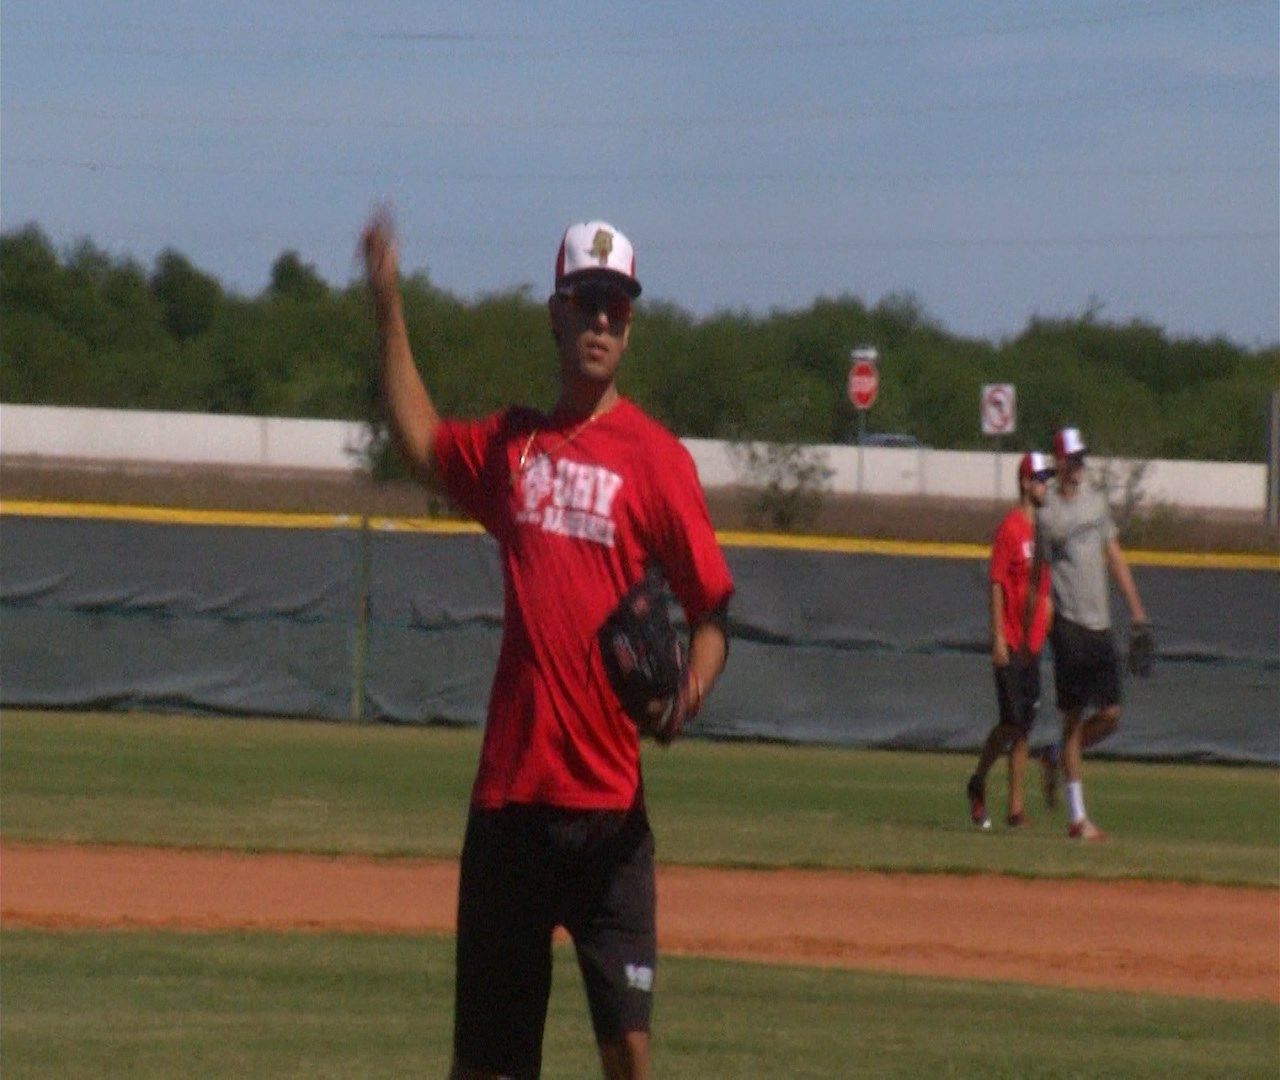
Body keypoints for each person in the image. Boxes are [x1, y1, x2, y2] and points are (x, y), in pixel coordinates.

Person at [362, 210, 734, 1080]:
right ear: (556, 315)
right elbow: (421, 441)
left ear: (630, 325)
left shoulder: (657, 461)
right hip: (512, 805)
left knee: (628, 1051)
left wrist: (686, 696)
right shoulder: (514, 447)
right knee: (489, 1066)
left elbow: (713, 612)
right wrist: (387, 305)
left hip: (609, 814)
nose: (601, 319)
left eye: (616, 305)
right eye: (586, 301)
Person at [1035, 427, 1150, 841]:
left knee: (1111, 716)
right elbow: (1038, 573)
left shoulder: (1096, 503)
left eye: (1081, 457)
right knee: (1072, 718)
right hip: (1068, 624)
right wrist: (1039, 623)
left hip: (1100, 625)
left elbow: (1115, 558)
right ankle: (1077, 818)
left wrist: (1137, 612)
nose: (1078, 465)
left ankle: (1054, 756)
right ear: (1059, 461)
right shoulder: (1046, 511)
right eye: (1072, 458)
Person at [966, 451, 1056, 830]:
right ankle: (978, 780)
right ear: (1024, 483)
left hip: (1032, 644)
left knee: (1024, 728)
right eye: (1040, 479)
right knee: (1011, 722)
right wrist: (998, 637)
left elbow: (1045, 589)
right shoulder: (1010, 529)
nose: (1045, 486)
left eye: (1047, 479)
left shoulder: (1043, 533)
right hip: (1011, 639)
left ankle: (1015, 809)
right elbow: (997, 583)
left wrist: (1048, 627)